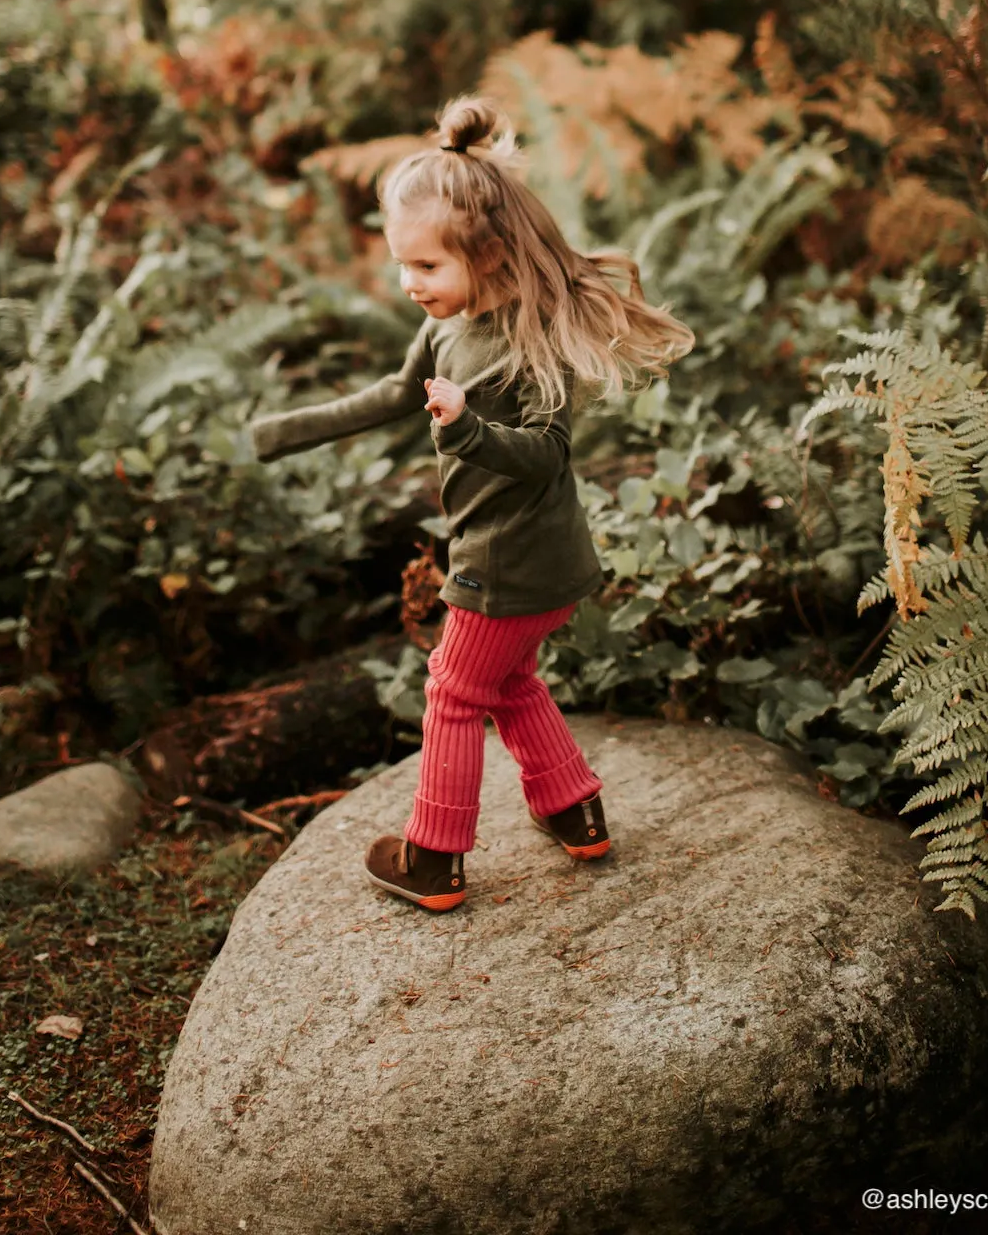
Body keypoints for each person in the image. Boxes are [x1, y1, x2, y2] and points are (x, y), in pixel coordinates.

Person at [247, 95, 694, 910]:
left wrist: (464, 432)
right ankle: (574, 809)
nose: (409, 284)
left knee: (453, 691)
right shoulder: (447, 329)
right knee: (509, 679)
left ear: (487, 255)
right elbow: (393, 392)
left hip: (511, 556)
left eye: (426, 267)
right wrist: (280, 432)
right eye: (400, 266)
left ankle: (434, 857)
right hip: (523, 558)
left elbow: (545, 455)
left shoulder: (530, 342)